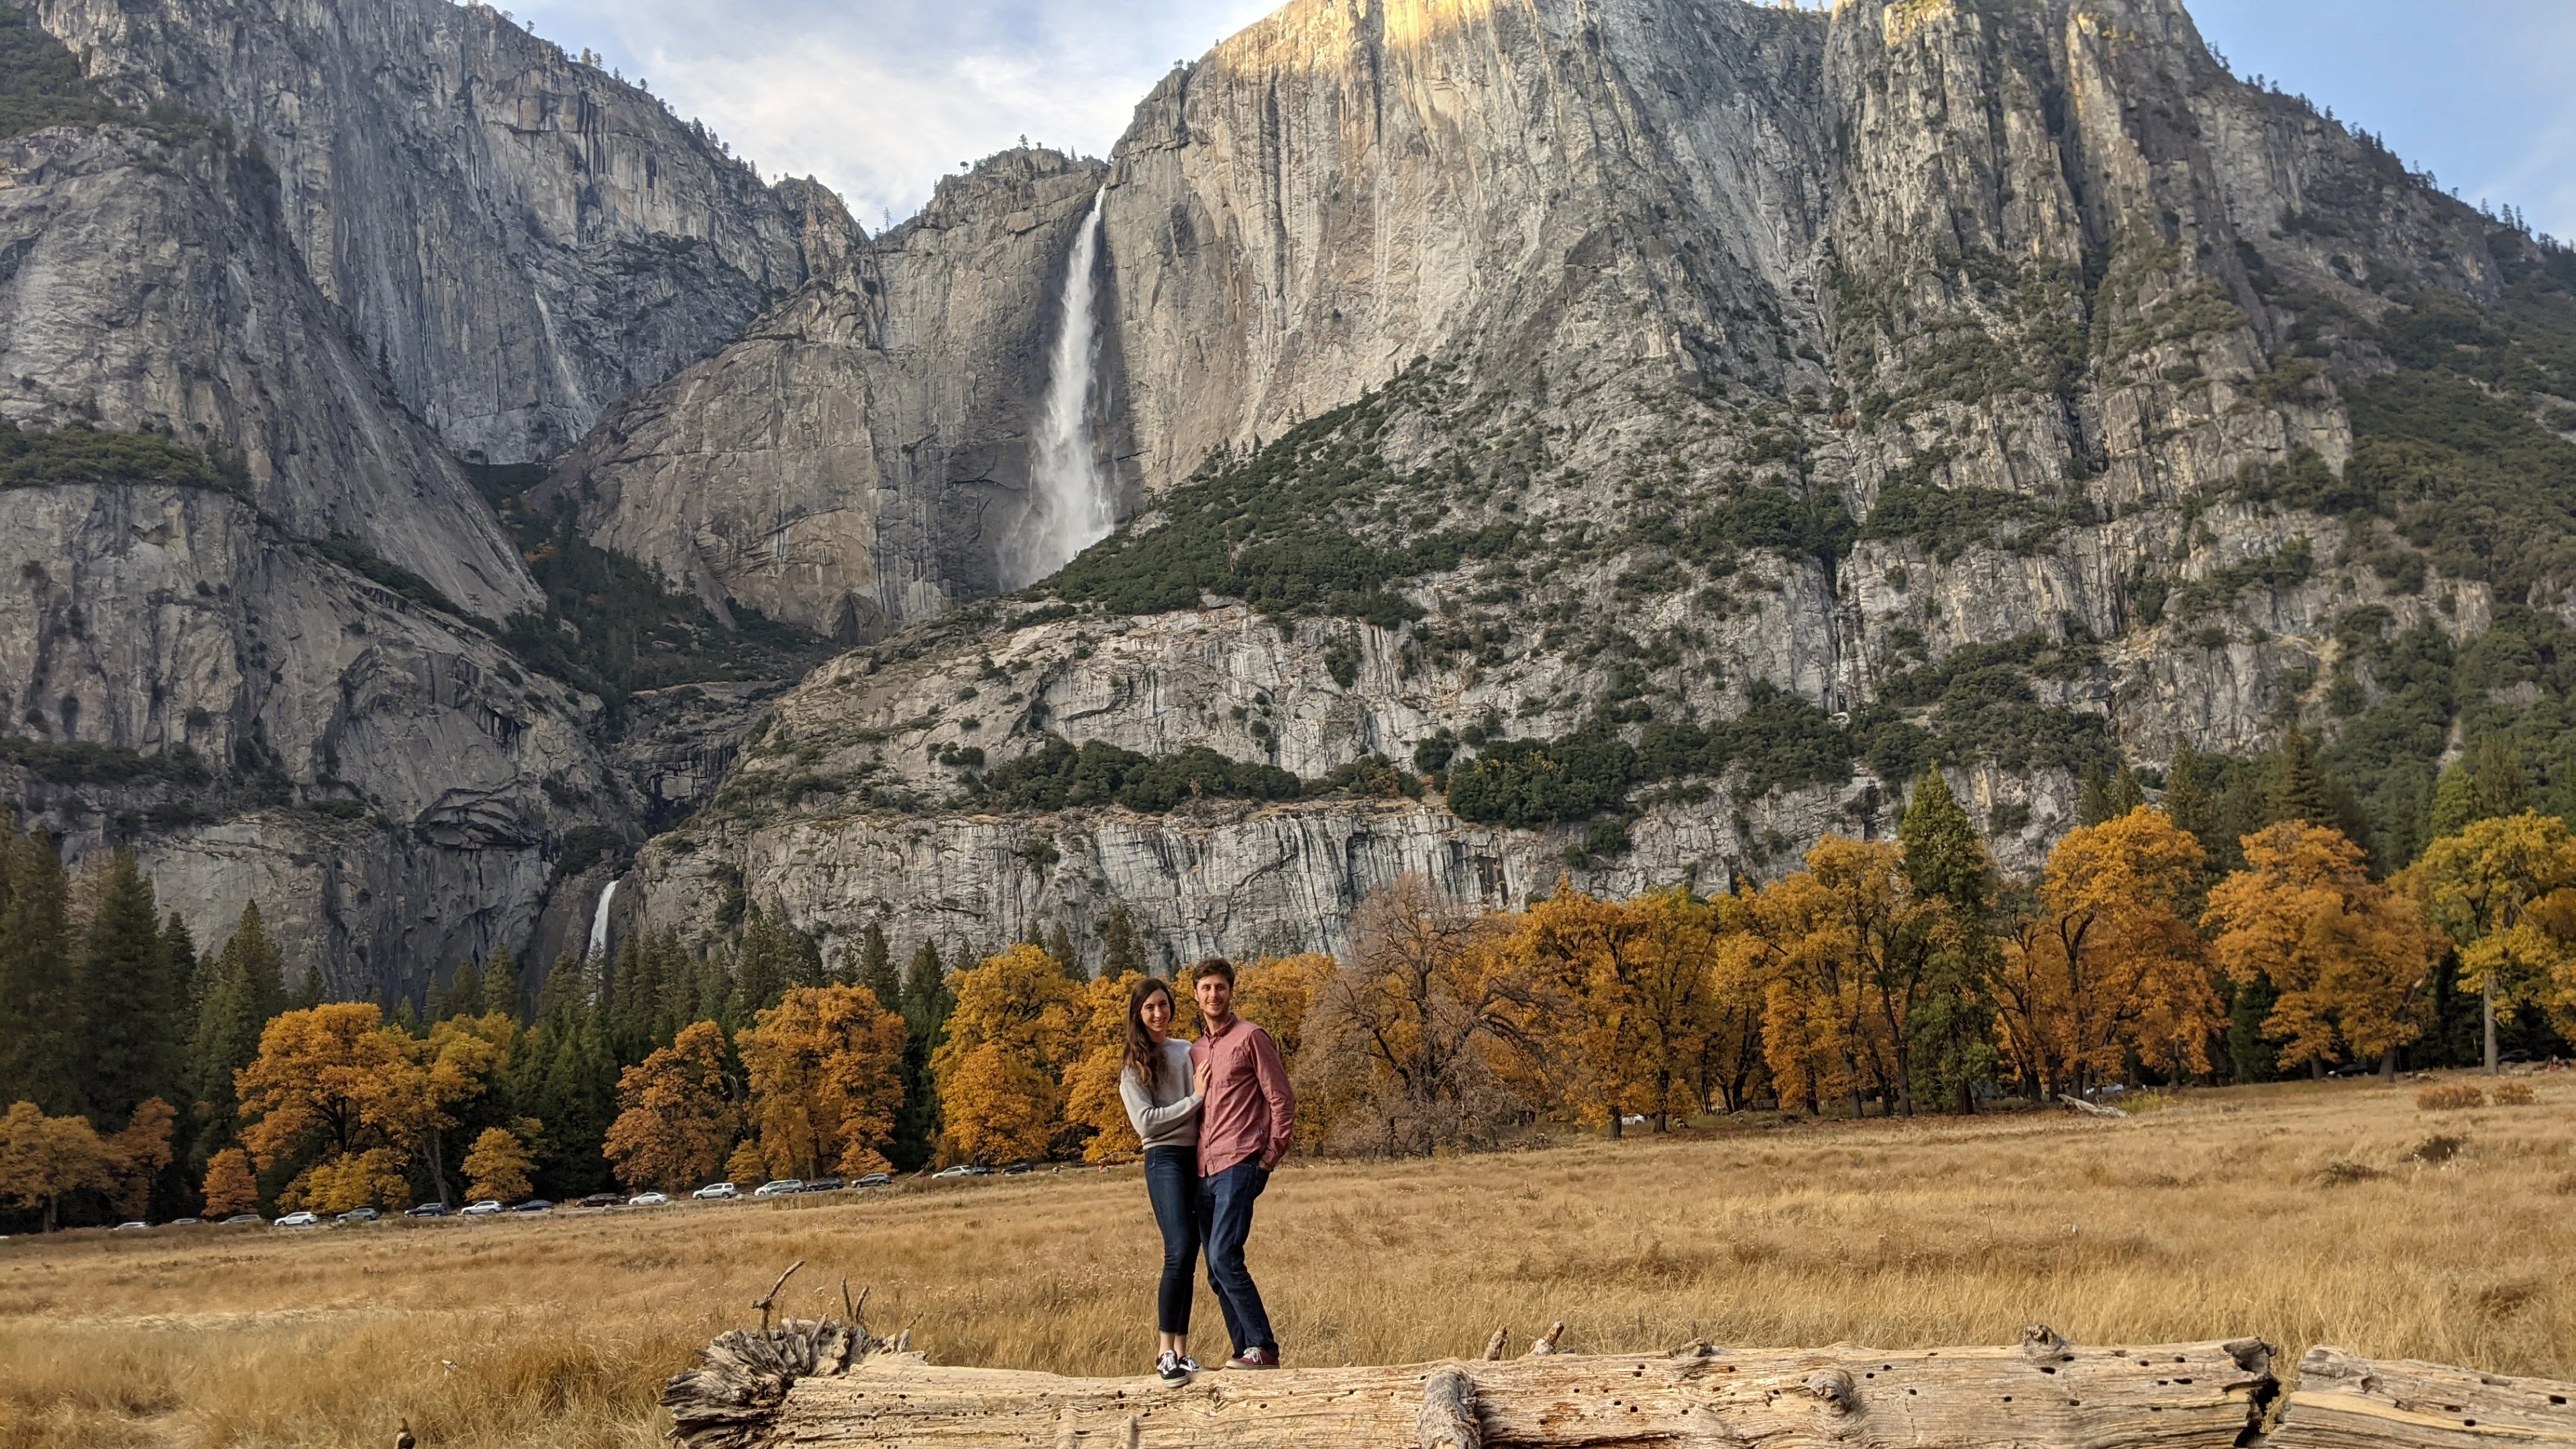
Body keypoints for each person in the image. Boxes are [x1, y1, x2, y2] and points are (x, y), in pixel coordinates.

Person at [1188, 957, 1294, 1370]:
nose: (1214, 995)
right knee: (1215, 1271)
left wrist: (1269, 1157)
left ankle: (1264, 1349)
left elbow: (1281, 1099)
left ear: (1231, 991)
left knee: (1224, 1256)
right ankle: (1242, 1353)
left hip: (1240, 1163)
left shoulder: (1252, 1037)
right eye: (1206, 988)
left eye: (1221, 987)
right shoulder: (1194, 1051)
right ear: (1196, 995)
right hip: (1203, 1171)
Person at [1118, 976, 1205, 1385]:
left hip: (1198, 1156)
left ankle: (1183, 1353)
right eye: (1150, 1007)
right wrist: (1195, 1100)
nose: (1158, 1013)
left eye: (1163, 1005)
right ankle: (1163, 1352)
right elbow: (1147, 1125)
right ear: (1139, 1013)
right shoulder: (1133, 1069)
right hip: (1164, 1160)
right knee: (1178, 1248)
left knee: (1191, 1255)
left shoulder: (1187, 1051)